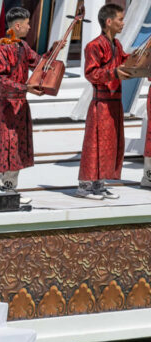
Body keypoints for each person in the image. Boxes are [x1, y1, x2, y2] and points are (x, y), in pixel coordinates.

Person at [0, 7, 41, 205]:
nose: (29, 27)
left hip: (20, 105)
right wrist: (25, 87)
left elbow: (38, 62)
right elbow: (1, 79)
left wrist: (53, 56)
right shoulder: (1, 48)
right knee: (3, 147)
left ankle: (11, 190)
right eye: (27, 24)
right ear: (17, 25)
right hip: (6, 105)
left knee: (16, 148)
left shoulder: (23, 46)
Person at [78, 3, 129, 200]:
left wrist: (142, 59)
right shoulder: (94, 46)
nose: (123, 23)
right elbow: (91, 73)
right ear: (109, 22)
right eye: (120, 19)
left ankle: (99, 184)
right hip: (101, 103)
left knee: (111, 144)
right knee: (95, 144)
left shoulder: (117, 45)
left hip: (115, 102)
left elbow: (126, 61)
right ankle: (85, 186)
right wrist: (113, 73)